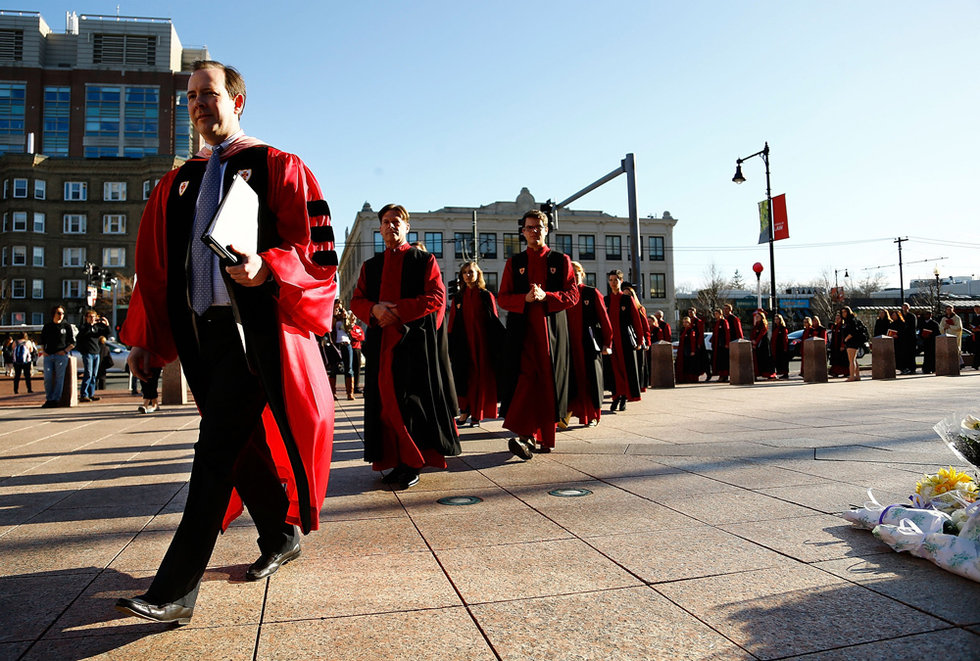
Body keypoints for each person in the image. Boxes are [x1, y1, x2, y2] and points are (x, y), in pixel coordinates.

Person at [114, 60, 336, 626]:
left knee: (213, 452)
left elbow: (314, 250)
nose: (197, 104)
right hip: (201, 335)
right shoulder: (179, 180)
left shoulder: (277, 165)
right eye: (189, 97)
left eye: (208, 94)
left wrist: (268, 266)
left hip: (257, 333)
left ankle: (175, 591)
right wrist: (146, 339)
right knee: (237, 448)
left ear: (237, 100)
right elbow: (158, 270)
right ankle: (279, 535)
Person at [351, 204, 460, 488]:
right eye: (386, 222)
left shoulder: (423, 259)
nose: (391, 226)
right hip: (380, 344)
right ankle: (396, 460)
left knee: (410, 405)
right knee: (385, 406)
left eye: (397, 221)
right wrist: (374, 310)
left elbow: (436, 296)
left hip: (412, 344)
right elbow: (357, 301)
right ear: (380, 228)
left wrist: (396, 311)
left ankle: (412, 463)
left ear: (407, 227)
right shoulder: (370, 266)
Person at [497, 209, 578, 458]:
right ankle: (525, 436)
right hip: (522, 335)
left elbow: (572, 295)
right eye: (529, 227)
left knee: (548, 384)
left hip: (551, 335)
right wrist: (525, 298)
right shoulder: (514, 263)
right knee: (524, 384)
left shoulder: (561, 260)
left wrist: (547, 297)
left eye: (539, 227)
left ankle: (542, 437)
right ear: (523, 232)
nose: (534, 231)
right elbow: (503, 298)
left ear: (547, 230)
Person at [448, 261, 503, 427]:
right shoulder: (457, 298)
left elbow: (494, 320)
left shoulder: (486, 295)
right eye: (465, 272)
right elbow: (451, 323)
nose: (467, 275)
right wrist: (450, 344)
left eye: (471, 272)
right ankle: (464, 411)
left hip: (482, 345)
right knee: (463, 378)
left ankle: (477, 414)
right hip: (463, 344)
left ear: (478, 274)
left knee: (480, 378)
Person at [567, 261, 612, 427]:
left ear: (582, 274)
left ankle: (594, 416)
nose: (575, 275)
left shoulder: (591, 293)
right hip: (570, 345)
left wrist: (607, 343)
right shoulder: (564, 295)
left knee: (592, 379)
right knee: (573, 380)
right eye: (572, 273)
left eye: (578, 272)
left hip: (589, 343)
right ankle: (569, 413)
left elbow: (604, 320)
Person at [605, 270, 644, 411]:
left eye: (616, 279)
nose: (613, 282)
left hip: (625, 341)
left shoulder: (627, 300)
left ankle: (624, 398)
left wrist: (640, 340)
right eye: (611, 279)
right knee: (613, 371)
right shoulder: (606, 300)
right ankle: (616, 396)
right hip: (611, 342)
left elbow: (636, 320)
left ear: (621, 281)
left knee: (626, 369)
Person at [39, 305, 75, 408]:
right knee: (48, 378)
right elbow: (42, 340)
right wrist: (43, 351)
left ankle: (55, 399)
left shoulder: (66, 326)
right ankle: (49, 398)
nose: (61, 315)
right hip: (49, 355)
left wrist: (65, 351)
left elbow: (72, 342)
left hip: (61, 355)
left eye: (62, 313)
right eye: (59, 313)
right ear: (53, 314)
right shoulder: (48, 326)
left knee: (60, 378)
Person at [76, 309, 110, 402]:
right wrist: (89, 326)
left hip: (96, 353)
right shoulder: (83, 327)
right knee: (88, 374)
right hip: (87, 353)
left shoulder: (96, 328)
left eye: (94, 317)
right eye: (90, 317)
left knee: (94, 375)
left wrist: (106, 324)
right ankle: (84, 394)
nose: (92, 319)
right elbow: (82, 336)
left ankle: (91, 394)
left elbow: (106, 333)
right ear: (86, 318)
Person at [331, 301, 355, 400]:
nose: (339, 310)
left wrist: (345, 318)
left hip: (346, 344)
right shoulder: (332, 317)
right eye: (336, 308)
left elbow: (349, 329)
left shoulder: (347, 317)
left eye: (340, 308)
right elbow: (330, 328)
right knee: (334, 369)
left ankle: (350, 393)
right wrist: (334, 315)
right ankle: (332, 393)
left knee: (349, 369)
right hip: (335, 345)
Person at [840, 306, 864, 381]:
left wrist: (846, 338)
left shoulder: (851, 320)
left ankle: (851, 376)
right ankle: (857, 376)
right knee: (854, 359)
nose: (843, 313)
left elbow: (853, 331)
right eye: (842, 312)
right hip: (851, 341)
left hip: (852, 341)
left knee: (851, 360)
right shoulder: (846, 321)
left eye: (845, 312)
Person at [675, 316, 702, 383]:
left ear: (689, 323)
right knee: (684, 364)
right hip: (683, 350)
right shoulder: (682, 330)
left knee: (690, 364)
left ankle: (691, 378)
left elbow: (693, 341)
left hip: (689, 350)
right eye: (684, 322)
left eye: (686, 322)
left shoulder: (691, 331)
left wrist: (693, 351)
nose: (685, 324)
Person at [750, 310, 775, 380]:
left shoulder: (763, 324)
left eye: (758, 317)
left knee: (765, 359)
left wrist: (756, 341)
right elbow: (752, 333)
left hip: (763, 344)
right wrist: (752, 340)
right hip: (757, 344)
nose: (757, 318)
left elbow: (762, 334)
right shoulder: (756, 325)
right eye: (756, 317)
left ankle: (768, 373)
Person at [710, 308, 730, 382]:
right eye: (715, 314)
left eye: (717, 314)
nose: (715, 315)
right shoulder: (716, 323)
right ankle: (721, 375)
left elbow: (727, 333)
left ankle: (724, 375)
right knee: (718, 360)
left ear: (720, 314)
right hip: (717, 344)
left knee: (723, 360)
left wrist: (727, 343)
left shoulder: (724, 322)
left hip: (723, 344)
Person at [828, 312, 849, 377]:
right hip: (835, 346)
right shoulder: (834, 326)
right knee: (835, 359)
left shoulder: (843, 326)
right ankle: (835, 372)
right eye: (836, 318)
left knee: (842, 360)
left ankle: (846, 372)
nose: (837, 319)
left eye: (838, 318)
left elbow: (844, 336)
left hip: (841, 346)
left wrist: (843, 345)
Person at [348, 313, 365, 393]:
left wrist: (355, 336)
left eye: (355, 316)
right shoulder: (348, 327)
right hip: (351, 348)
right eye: (352, 316)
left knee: (357, 368)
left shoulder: (357, 327)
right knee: (350, 368)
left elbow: (362, 337)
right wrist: (356, 336)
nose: (354, 318)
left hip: (357, 348)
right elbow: (350, 335)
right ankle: (350, 387)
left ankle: (356, 386)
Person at [771, 313, 790, 379]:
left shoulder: (783, 328)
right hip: (776, 347)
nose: (776, 321)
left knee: (783, 361)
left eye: (777, 319)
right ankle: (780, 372)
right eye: (775, 319)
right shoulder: (775, 328)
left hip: (781, 347)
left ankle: (785, 373)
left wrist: (785, 347)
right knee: (777, 360)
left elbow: (785, 338)